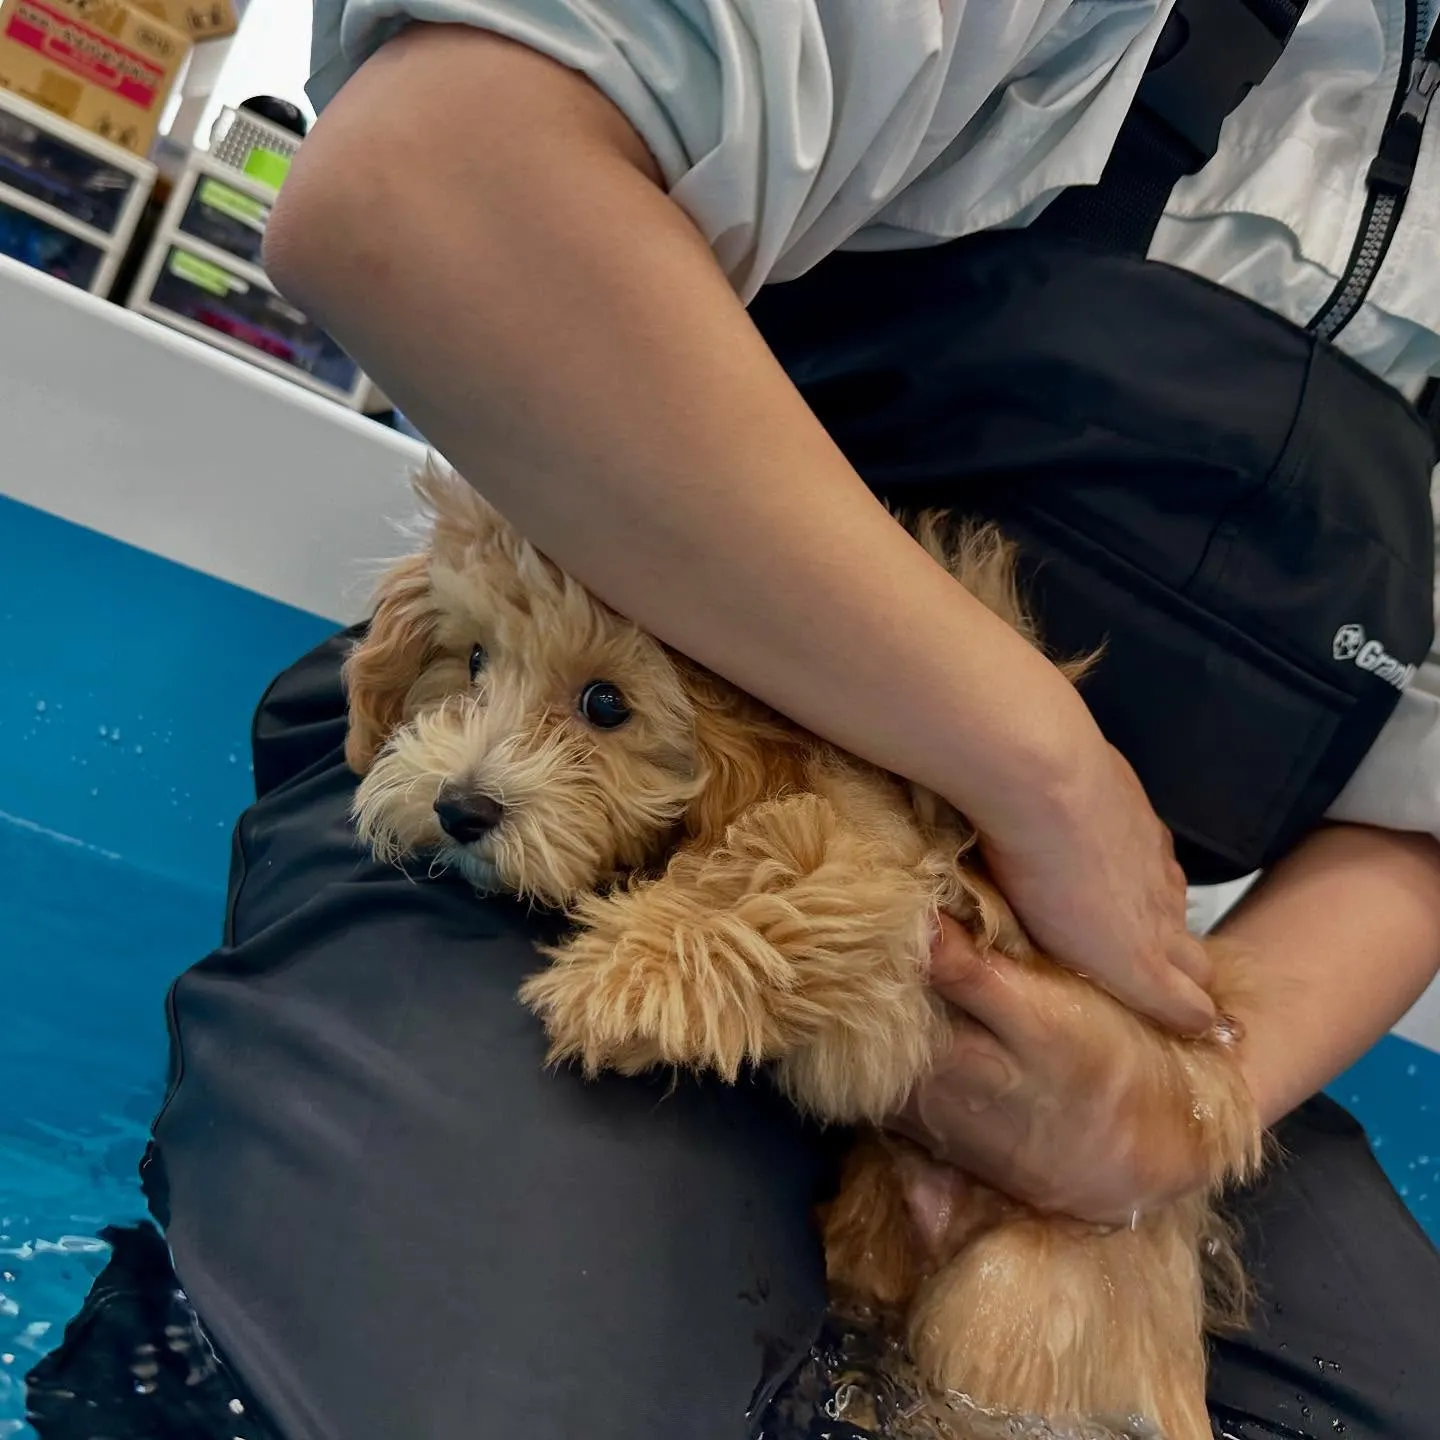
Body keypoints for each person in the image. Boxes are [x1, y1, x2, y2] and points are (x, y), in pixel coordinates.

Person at [28, 3, 1440, 1439]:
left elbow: (1420, 825)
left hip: (1070, 986)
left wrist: (1167, 1113)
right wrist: (1042, 772)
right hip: (592, 834)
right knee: (508, 1393)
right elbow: (427, 186)